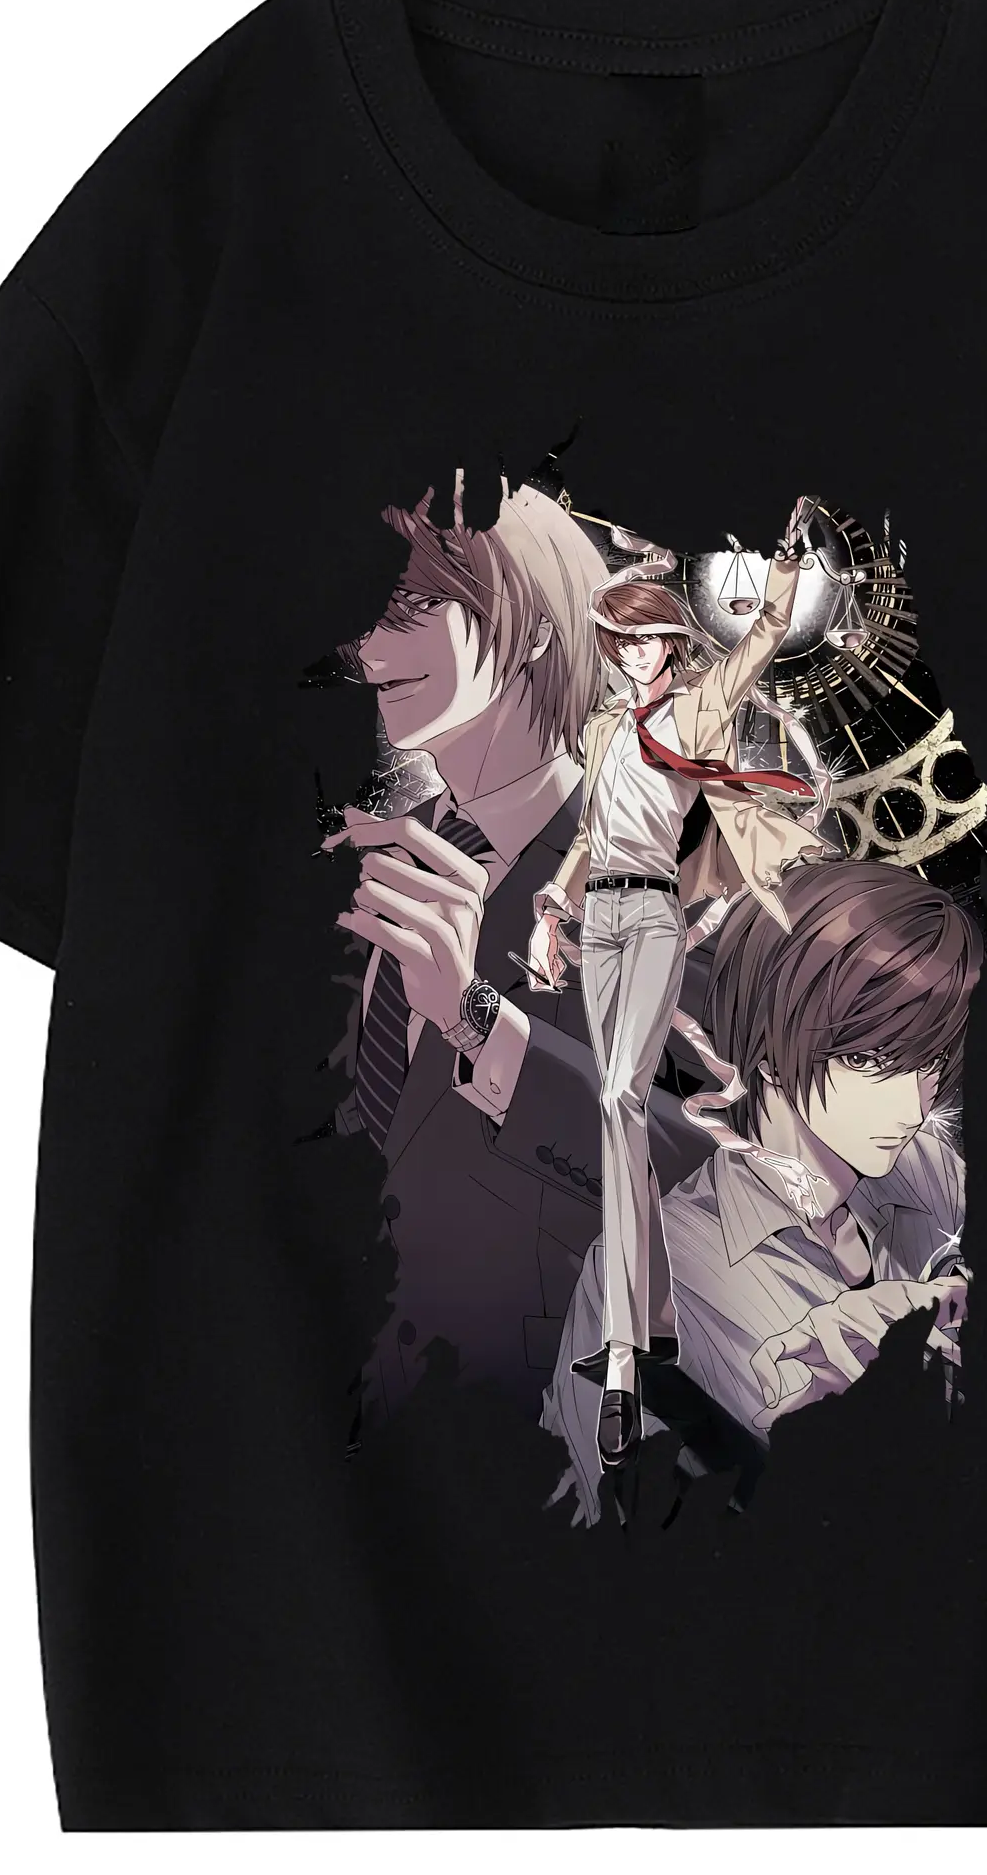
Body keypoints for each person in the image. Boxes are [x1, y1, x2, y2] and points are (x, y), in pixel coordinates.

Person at [330, 472, 713, 1428]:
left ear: (535, 629)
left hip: (531, 1419)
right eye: (369, 607)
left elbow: (706, 1168)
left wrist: (476, 1017)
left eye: (413, 606)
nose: (369, 646)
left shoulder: (655, 859)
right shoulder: (388, 848)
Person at [524, 521, 832, 1479]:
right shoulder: (603, 729)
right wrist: (549, 911)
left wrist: (786, 571)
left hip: (656, 917)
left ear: (670, 642)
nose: (633, 656)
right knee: (614, 1115)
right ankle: (648, 1322)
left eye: (647, 639)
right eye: (620, 643)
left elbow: (762, 639)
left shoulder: (696, 711)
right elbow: (589, 837)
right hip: (598, 926)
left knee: (621, 1097)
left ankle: (622, 1358)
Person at [542, 858, 984, 1525]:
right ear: (770, 1047)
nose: (913, 1104)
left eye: (931, 1061)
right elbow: (611, 1522)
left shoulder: (926, 1167)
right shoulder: (650, 1273)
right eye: (868, 1060)